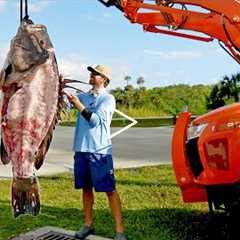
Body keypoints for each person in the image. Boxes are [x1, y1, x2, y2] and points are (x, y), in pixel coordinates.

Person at [67, 64, 127, 240]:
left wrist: (79, 106)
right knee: (86, 189)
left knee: (109, 189)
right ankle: (88, 224)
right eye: (91, 73)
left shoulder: (108, 99)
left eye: (96, 74)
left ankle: (119, 230)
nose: (92, 76)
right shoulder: (82, 96)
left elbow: (95, 122)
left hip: (99, 151)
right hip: (81, 149)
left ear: (104, 80)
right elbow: (64, 104)